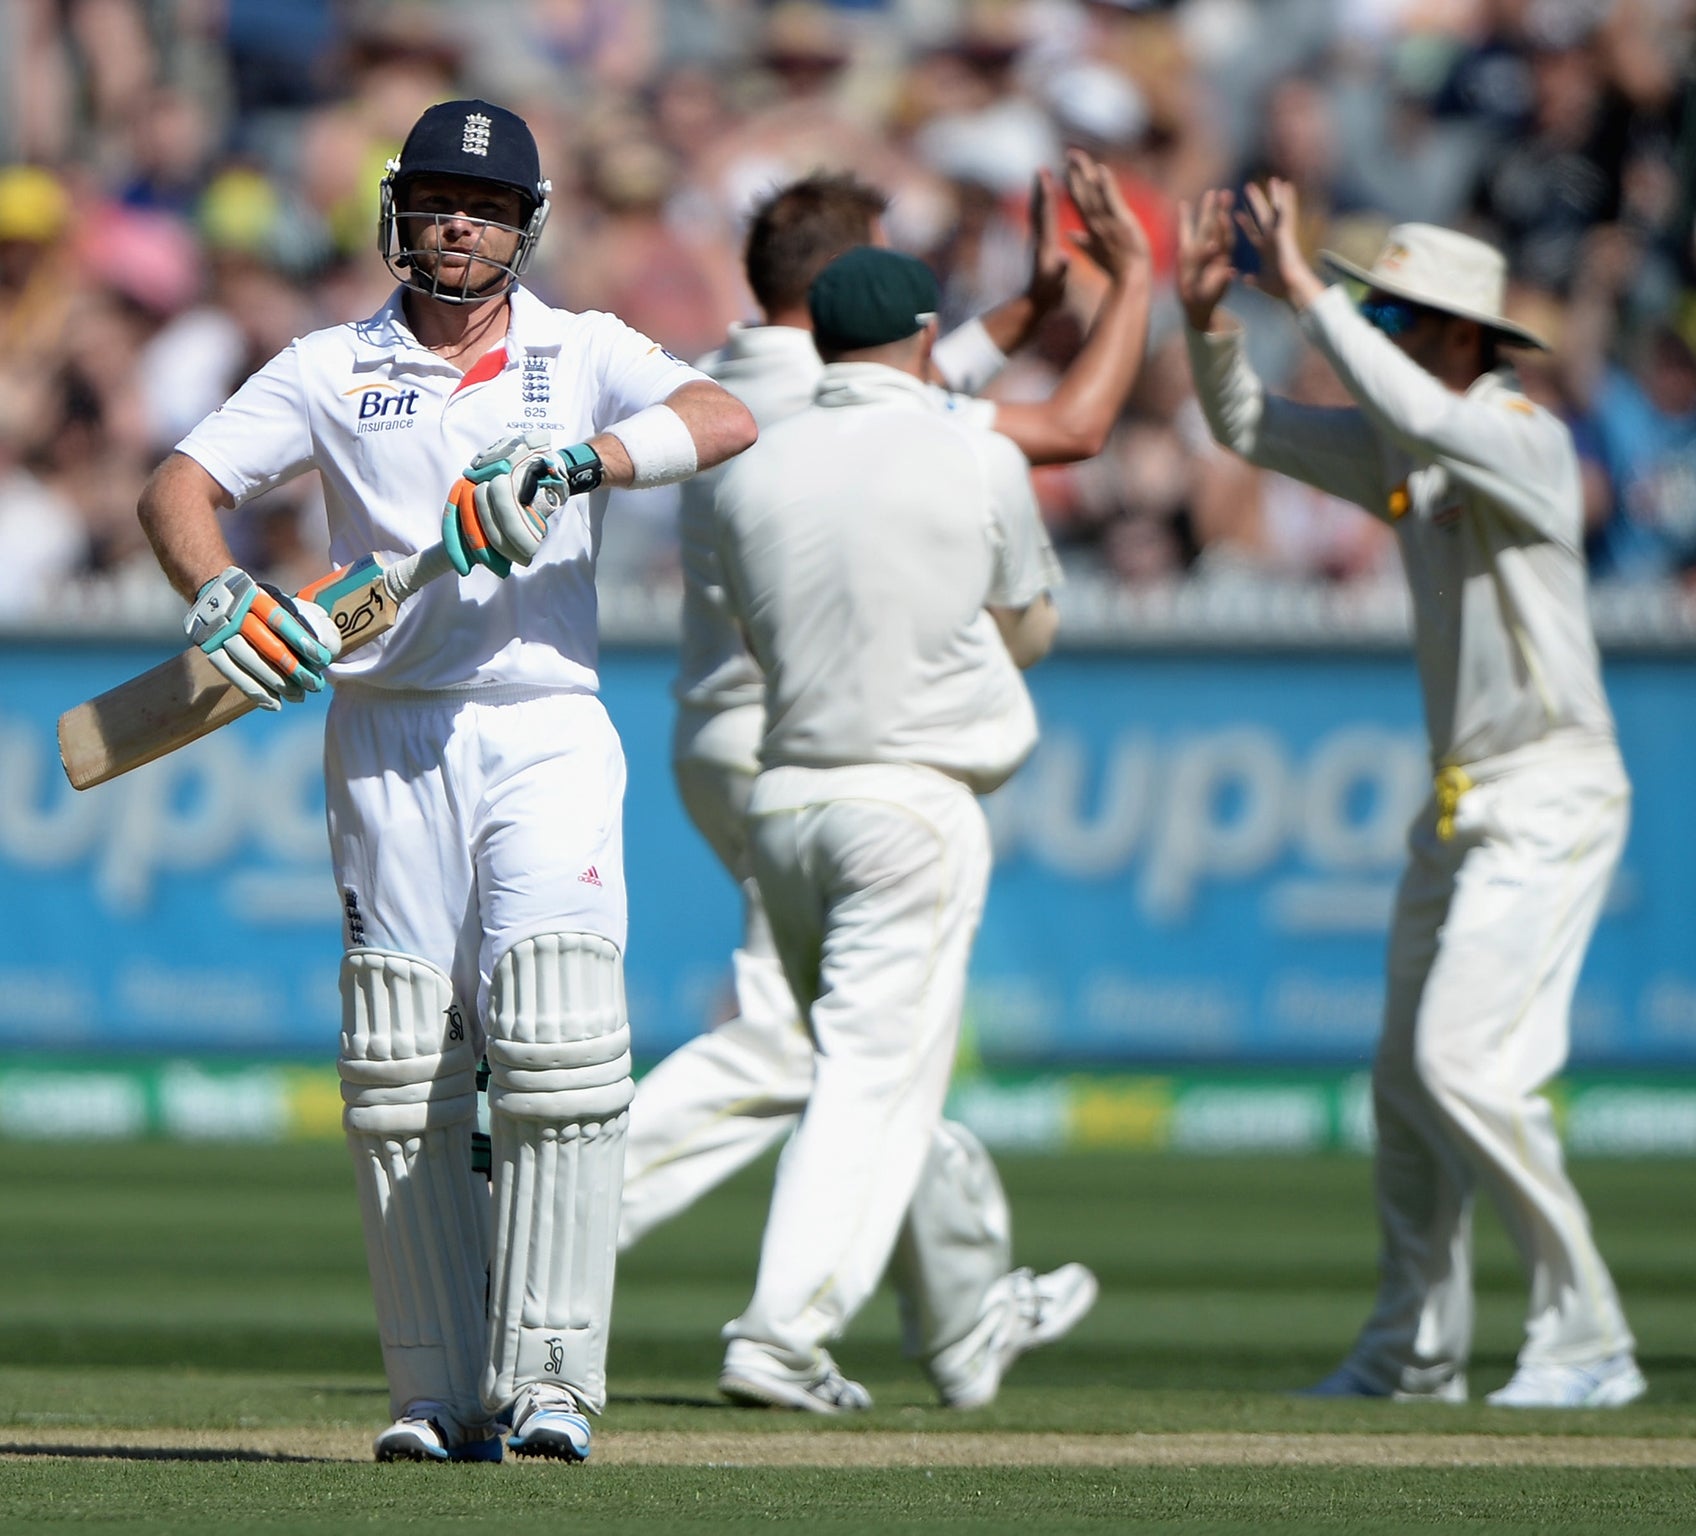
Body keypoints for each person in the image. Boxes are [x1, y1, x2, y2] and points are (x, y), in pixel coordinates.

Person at [134, 99, 756, 1462]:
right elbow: (179, 484)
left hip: (539, 720)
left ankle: (550, 1385)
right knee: (403, 1061)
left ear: (525, 227)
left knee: (556, 1044)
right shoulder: (329, 365)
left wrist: (577, 458)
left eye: (481, 204)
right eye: (433, 199)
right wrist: (224, 595)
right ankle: (435, 1391)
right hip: (384, 730)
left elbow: (724, 414)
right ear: (396, 213)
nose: (455, 222)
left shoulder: (580, 352)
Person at [620, 150, 1151, 1410]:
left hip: (760, 756)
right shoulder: (835, 413)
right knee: (818, 1055)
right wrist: (1122, 286)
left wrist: (1025, 304)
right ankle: (587, 1252)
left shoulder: (749, 399)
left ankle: (964, 1318)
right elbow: (1042, 426)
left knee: (866, 1056)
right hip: (846, 754)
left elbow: (916, 375)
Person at [1176, 183, 1645, 1408]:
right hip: (1458, 803)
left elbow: (1405, 410)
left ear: (1454, 332)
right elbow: (1248, 431)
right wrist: (1209, 326)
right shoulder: (1407, 435)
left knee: (1465, 1065)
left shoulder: (1520, 434)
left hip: (1550, 790)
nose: (1372, 325)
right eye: (1369, 305)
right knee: (1404, 1087)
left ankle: (1585, 1337)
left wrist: (1310, 293)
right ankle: (1413, 1352)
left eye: (1393, 310)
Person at [704, 245, 1062, 1411]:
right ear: (925, 335)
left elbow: (761, 642)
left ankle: (963, 1328)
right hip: (908, 804)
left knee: (869, 1085)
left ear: (814, 340)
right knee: (871, 1083)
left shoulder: (750, 469)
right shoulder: (975, 454)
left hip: (786, 802)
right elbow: (1027, 623)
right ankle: (780, 1335)